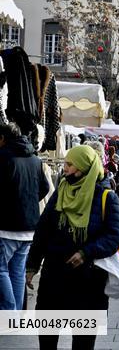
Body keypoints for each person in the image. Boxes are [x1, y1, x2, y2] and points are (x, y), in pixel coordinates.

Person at [26, 144, 119, 350]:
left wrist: (86, 252)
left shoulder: (106, 197)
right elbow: (43, 230)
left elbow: (114, 236)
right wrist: (32, 265)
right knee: (47, 337)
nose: (65, 168)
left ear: (83, 167)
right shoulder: (61, 190)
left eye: (70, 164)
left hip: (88, 282)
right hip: (54, 277)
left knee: (83, 341)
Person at [0, 121, 50, 311]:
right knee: (17, 271)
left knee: (2, 270)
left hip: (6, 227)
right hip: (29, 227)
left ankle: (9, 311)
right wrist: (28, 202)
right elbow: (44, 188)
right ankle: (15, 315)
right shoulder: (35, 160)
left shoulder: (3, 158)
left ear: (2, 138)